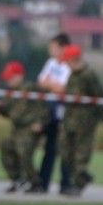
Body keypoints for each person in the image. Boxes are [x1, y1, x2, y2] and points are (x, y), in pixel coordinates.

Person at [57, 44, 103, 196]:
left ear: (74, 59)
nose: (66, 65)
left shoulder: (89, 75)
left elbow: (100, 96)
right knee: (66, 152)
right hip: (70, 120)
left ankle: (78, 185)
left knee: (81, 154)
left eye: (67, 61)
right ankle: (83, 177)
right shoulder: (72, 75)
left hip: (85, 121)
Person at [0, 60, 47, 193]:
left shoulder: (31, 88)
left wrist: (40, 123)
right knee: (6, 147)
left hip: (30, 128)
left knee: (24, 153)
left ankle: (35, 182)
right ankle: (17, 179)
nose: (8, 81)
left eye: (10, 77)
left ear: (19, 75)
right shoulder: (11, 93)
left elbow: (44, 108)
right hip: (16, 129)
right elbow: (7, 112)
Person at [36, 33, 72, 192]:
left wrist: (50, 84)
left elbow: (63, 89)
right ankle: (43, 183)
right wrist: (53, 85)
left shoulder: (69, 66)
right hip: (49, 112)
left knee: (65, 149)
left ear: (63, 48)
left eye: (54, 47)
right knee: (49, 149)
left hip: (64, 113)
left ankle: (66, 184)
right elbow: (41, 82)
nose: (51, 50)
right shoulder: (51, 63)